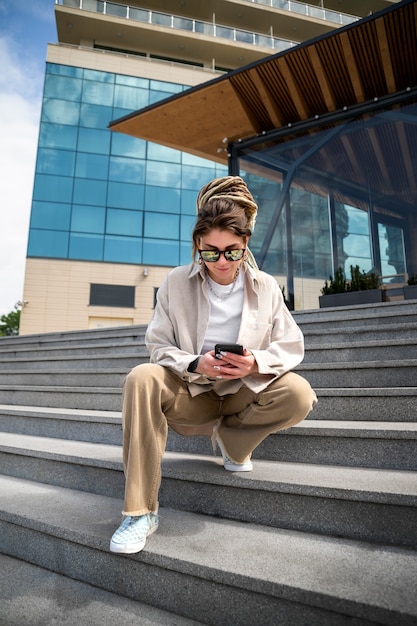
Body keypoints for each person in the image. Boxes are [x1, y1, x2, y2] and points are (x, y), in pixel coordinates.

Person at [110, 176, 317, 554]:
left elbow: (291, 344)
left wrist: (255, 362)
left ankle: (232, 442)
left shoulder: (267, 286)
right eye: (210, 252)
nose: (221, 262)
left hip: (241, 393)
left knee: (299, 393)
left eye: (232, 251)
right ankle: (140, 512)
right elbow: (157, 344)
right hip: (193, 394)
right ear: (197, 246)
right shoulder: (174, 283)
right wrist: (195, 363)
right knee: (141, 377)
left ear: (245, 245)